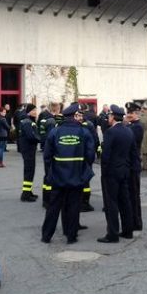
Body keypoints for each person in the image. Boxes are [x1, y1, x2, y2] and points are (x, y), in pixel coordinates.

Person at [41, 104, 95, 244]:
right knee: (73, 207)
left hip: (58, 177)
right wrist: (84, 170)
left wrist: (50, 172)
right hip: (77, 176)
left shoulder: (55, 132)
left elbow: (47, 156)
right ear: (74, 116)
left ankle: (46, 236)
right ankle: (71, 236)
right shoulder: (84, 132)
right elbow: (90, 155)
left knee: (53, 207)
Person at [98, 105, 136, 243]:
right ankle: (128, 231)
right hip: (124, 171)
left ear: (113, 117)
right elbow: (133, 153)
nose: (108, 118)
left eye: (109, 116)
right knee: (125, 201)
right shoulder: (128, 131)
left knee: (111, 203)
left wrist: (104, 172)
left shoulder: (110, 133)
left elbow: (106, 155)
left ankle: (112, 234)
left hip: (112, 172)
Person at [125, 102, 143, 231]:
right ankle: (132, 221)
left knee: (134, 195)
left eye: (131, 113)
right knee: (130, 195)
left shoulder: (137, 127)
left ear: (136, 114)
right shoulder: (131, 126)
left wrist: (125, 125)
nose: (128, 115)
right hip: (129, 164)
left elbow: (129, 140)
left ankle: (136, 223)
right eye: (128, 113)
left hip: (133, 165)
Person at [18, 104, 40, 202]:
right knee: (29, 171)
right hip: (28, 150)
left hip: (29, 149)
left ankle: (28, 191)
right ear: (29, 111)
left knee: (30, 171)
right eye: (34, 110)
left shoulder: (29, 121)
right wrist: (40, 139)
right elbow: (31, 136)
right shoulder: (27, 122)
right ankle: (25, 194)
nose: (36, 112)